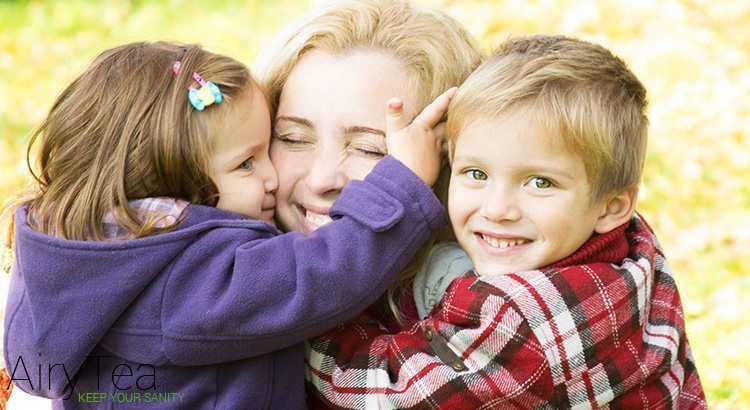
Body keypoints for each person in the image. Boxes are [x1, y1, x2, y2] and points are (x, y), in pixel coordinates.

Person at [2, 40, 456, 408]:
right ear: (170, 177)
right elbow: (319, 275)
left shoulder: (91, 252)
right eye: (245, 164)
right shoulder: (187, 273)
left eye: (268, 151)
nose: (271, 177)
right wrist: (401, 183)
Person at [306, 35, 707, 408]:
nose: (498, 208)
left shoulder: (524, 321)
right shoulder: (636, 246)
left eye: (539, 182)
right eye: (476, 174)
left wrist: (320, 313)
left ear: (611, 206)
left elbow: (385, 395)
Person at [256, 0, 483, 331]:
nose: (322, 179)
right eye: (293, 138)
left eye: (369, 149)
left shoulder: (467, 298)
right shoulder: (211, 265)